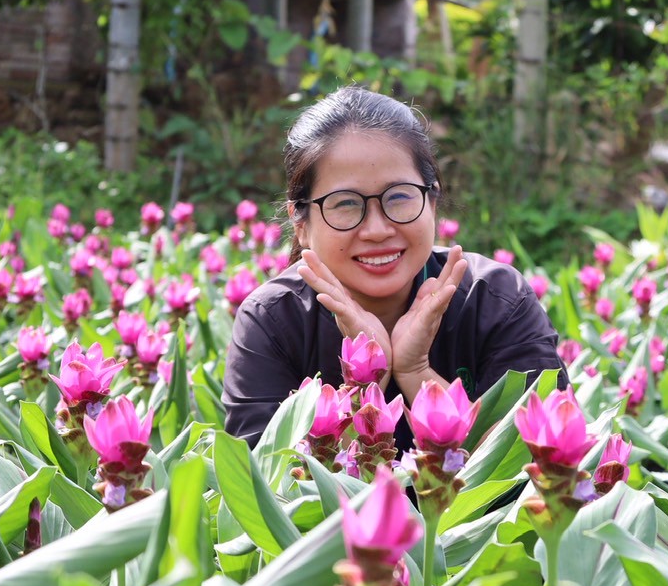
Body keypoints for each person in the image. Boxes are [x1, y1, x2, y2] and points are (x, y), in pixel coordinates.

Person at [223, 86, 566, 448]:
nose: (377, 230)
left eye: (399, 197)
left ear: (432, 202)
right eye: (345, 204)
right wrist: (364, 380)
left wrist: (416, 371)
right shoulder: (275, 321)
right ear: (301, 223)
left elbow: (542, 462)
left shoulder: (497, 301)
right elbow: (263, 485)